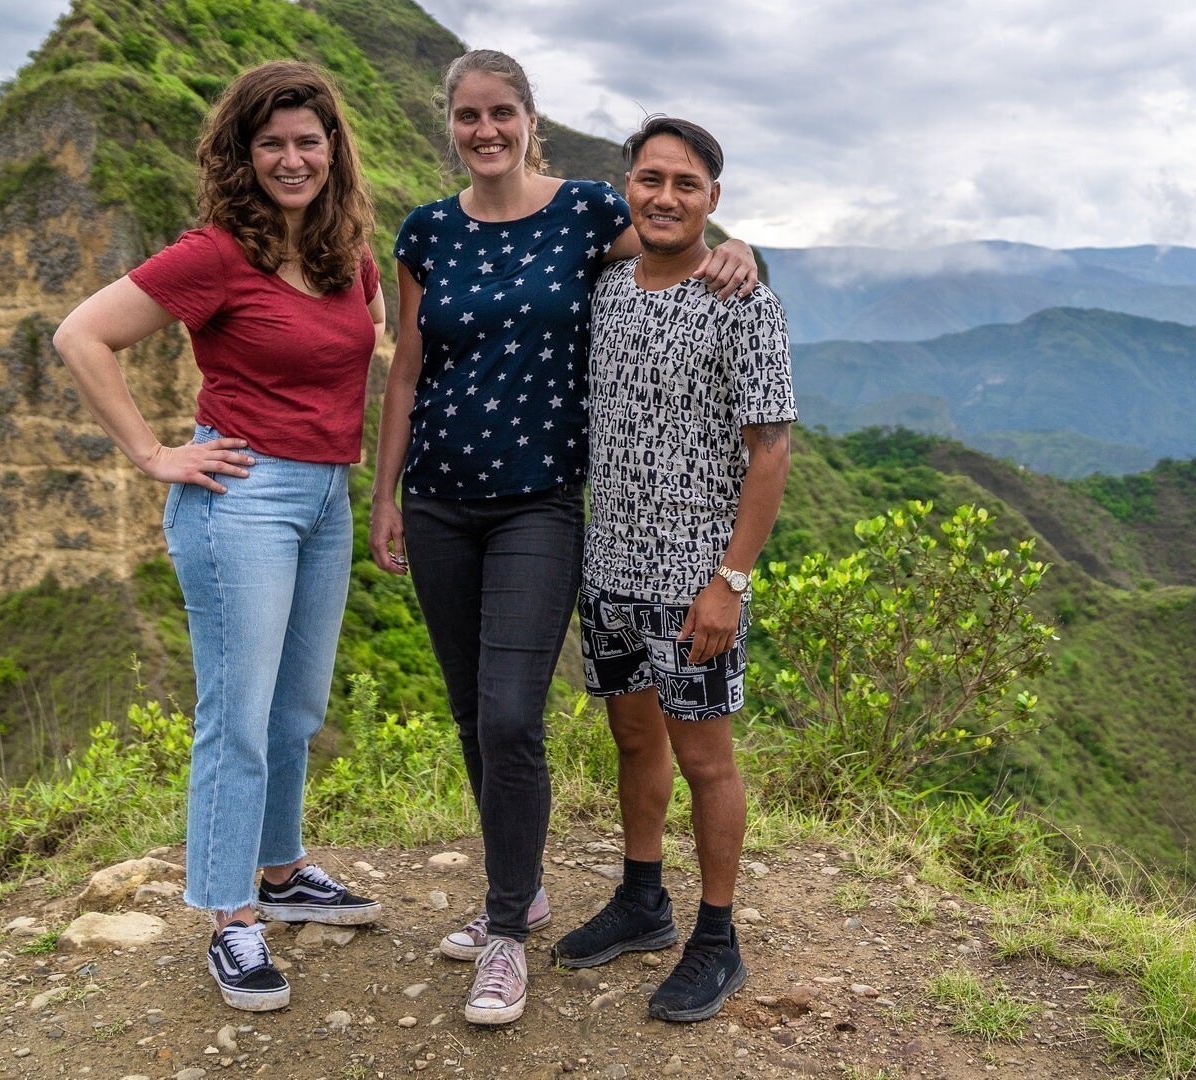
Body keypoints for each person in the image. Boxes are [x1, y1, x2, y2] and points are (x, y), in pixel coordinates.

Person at [368, 51, 757, 1027]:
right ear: (449, 122)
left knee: (510, 715)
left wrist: (740, 244)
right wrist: (383, 495)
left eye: (502, 113)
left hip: (541, 503)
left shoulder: (585, 212)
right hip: (439, 501)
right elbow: (407, 371)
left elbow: (675, 235)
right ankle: (525, 885)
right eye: (468, 115)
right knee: (471, 714)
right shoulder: (426, 229)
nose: (486, 130)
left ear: (530, 120)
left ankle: (505, 933)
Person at [54, 60, 385, 1013]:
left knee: (295, 709)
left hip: (325, 495)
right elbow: (82, 335)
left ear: (333, 151)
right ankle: (230, 915)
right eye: (272, 142)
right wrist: (154, 453)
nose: (292, 158)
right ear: (244, 154)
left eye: (307, 141)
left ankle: (280, 874)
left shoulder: (343, 252)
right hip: (241, 492)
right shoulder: (214, 253)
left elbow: (368, 340)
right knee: (236, 714)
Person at [550, 116, 794, 1024]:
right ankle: (642, 899)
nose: (664, 196)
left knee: (705, 757)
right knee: (632, 739)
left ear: (712, 200)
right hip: (608, 567)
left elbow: (769, 449)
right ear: (628, 190)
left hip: (694, 581)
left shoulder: (741, 300)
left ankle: (717, 939)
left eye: (685, 184)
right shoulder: (606, 287)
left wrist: (731, 579)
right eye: (649, 179)